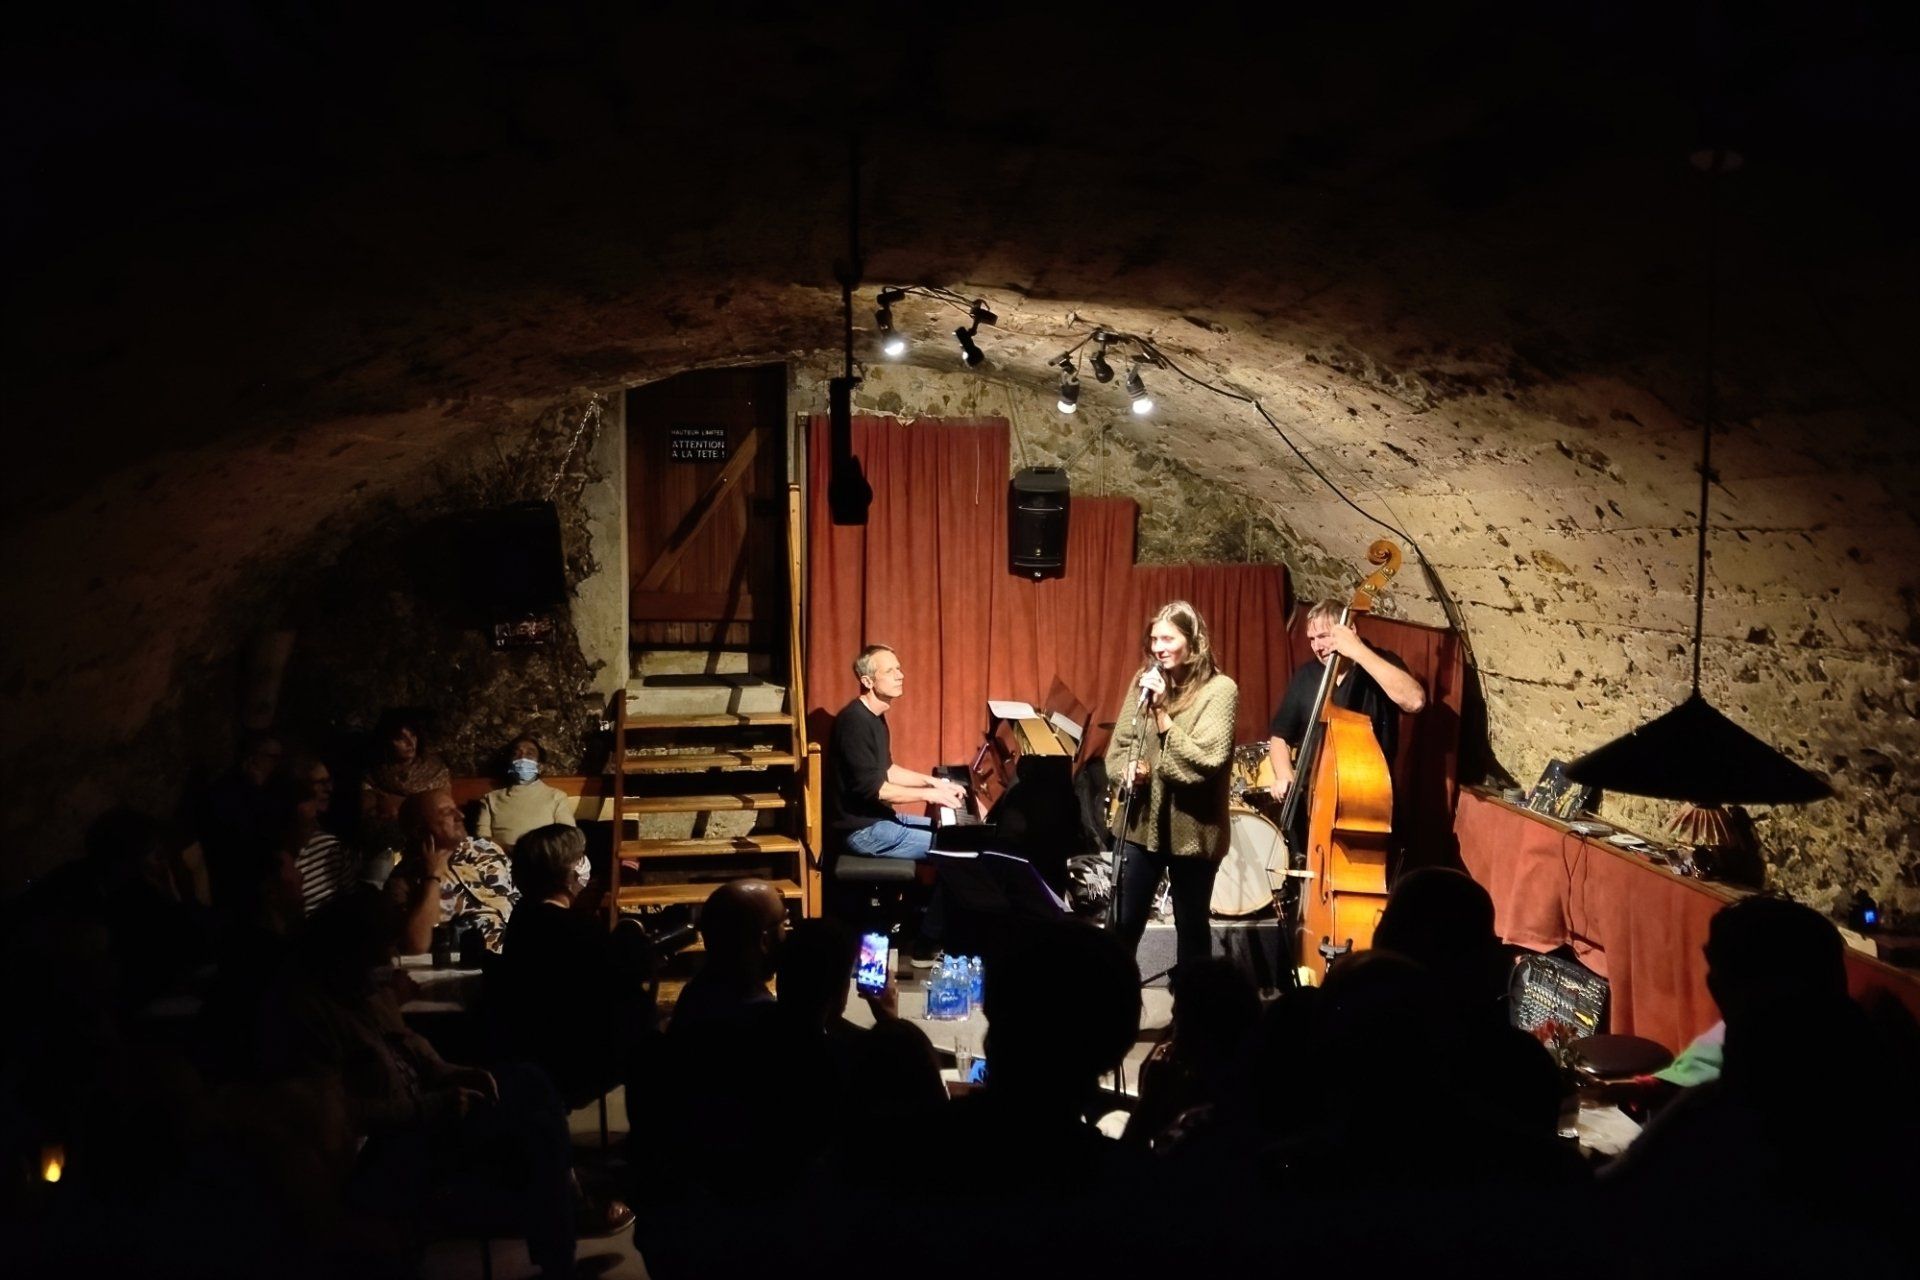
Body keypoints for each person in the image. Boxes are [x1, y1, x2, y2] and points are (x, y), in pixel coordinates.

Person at [1104, 600, 1240, 969]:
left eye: (1168, 639)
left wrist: (1162, 712)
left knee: (1191, 929)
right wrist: (1127, 769)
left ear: (1193, 643)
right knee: (1122, 925)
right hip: (1141, 824)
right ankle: (1114, 998)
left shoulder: (1220, 690)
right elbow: (1120, 745)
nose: (1158, 648)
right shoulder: (1144, 680)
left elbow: (1204, 760)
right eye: (1154, 639)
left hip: (1193, 830)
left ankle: (1192, 1002)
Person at [1265, 598, 1426, 812]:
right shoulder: (1306, 676)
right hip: (1314, 798)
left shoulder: (1380, 663)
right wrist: (1285, 774)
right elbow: (1279, 737)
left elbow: (1415, 701)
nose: (1317, 647)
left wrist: (1357, 650)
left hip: (1367, 797)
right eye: (1312, 639)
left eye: (1323, 636)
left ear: (1350, 631)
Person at [826, 643, 967, 862]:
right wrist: (929, 795)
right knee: (958, 846)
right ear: (868, 682)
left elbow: (888, 770)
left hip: (877, 819)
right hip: (861, 831)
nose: (900, 676)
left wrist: (935, 783)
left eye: (898, 668)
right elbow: (877, 790)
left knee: (958, 833)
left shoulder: (874, 716)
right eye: (890, 671)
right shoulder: (854, 722)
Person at [386, 787, 517, 955]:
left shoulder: (488, 849)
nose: (460, 816)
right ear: (419, 831)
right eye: (447, 813)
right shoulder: (403, 880)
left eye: (456, 809)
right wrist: (432, 877)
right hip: (470, 963)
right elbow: (416, 947)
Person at [475, 735, 577, 851]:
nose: (522, 758)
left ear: (539, 765)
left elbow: (567, 836)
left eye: (529, 754)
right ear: (509, 763)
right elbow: (482, 838)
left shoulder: (557, 796)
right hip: (502, 858)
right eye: (516, 754)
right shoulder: (490, 798)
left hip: (544, 856)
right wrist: (509, 849)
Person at [360, 709, 451, 827]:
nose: (410, 743)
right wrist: (380, 799)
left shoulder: (434, 770)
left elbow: (443, 806)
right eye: (401, 738)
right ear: (387, 742)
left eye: (413, 735)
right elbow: (366, 796)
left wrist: (400, 803)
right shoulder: (377, 772)